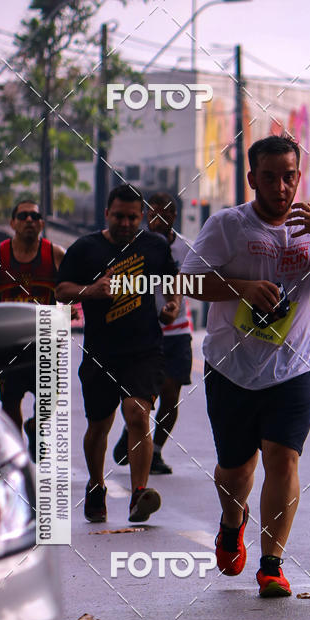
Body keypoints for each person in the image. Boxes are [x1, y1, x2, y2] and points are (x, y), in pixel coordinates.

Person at [181, 134, 310, 598]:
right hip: (231, 366)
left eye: (289, 177)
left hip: (294, 367)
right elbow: (187, 281)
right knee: (235, 471)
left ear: (299, 176)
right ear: (252, 178)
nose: (281, 187)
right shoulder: (228, 225)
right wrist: (242, 288)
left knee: (283, 459)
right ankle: (232, 521)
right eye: (269, 178)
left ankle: (272, 565)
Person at [55, 183, 176, 523]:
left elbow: (172, 280)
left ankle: (139, 494)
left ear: (142, 217)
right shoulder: (85, 248)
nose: (125, 224)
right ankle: (96, 485)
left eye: (132, 218)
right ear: (107, 213)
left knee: (137, 414)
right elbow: (61, 291)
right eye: (119, 216)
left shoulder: (155, 245)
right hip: (101, 352)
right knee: (99, 426)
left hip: (144, 350)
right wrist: (91, 290)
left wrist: (172, 304)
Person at [0, 199, 65, 461]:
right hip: (9, 344)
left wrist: (69, 306)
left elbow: (70, 287)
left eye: (35, 216)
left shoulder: (55, 253)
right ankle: (17, 455)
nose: (29, 220)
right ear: (12, 223)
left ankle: (35, 426)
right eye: (23, 216)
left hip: (44, 344)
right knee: (10, 403)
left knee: (50, 399)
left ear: (42, 223)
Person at [113, 191, 193, 475]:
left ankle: (156, 450)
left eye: (165, 213)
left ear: (174, 216)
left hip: (178, 331)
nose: (158, 219)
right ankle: (132, 428)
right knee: (147, 393)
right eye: (153, 213)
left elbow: (194, 281)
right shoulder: (136, 245)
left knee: (171, 394)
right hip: (145, 330)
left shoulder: (186, 248)